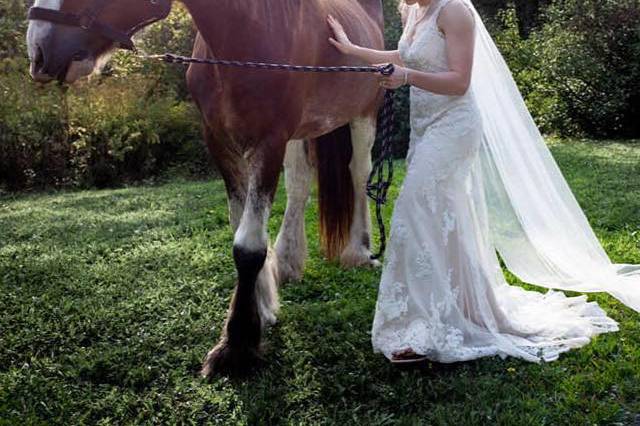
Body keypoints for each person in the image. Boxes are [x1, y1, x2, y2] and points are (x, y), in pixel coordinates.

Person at [327, 0, 640, 364]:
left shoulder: (454, 11)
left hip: (455, 126)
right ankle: (463, 305)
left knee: (414, 213)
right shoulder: (413, 10)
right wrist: (352, 50)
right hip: (424, 127)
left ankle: (423, 327)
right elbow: (406, 53)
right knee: (446, 218)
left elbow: (459, 82)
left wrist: (406, 77)